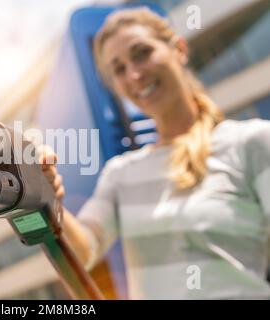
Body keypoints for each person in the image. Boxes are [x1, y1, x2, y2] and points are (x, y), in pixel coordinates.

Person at [38, 7, 270, 299]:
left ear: (179, 50)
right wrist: (45, 201)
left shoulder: (252, 141)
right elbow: (83, 252)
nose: (134, 74)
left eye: (141, 53)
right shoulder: (120, 173)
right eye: (119, 69)